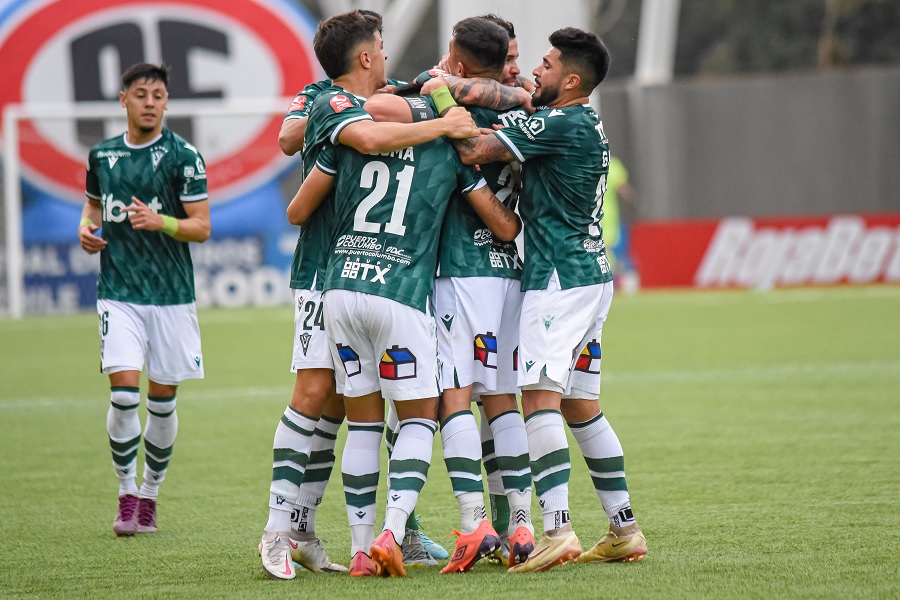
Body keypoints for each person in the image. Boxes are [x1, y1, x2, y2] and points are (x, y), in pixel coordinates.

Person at [258, 9, 480, 580]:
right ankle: (276, 529)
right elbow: (334, 138)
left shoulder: (377, 95)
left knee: (343, 406)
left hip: (359, 276)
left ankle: (315, 528)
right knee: (312, 392)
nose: (386, 55)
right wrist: (441, 124)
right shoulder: (331, 100)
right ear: (363, 56)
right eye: (380, 46)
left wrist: (431, 90)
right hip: (325, 271)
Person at [449, 27, 649, 573]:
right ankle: (624, 527)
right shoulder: (579, 121)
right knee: (582, 406)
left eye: (547, 64)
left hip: (559, 279)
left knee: (537, 398)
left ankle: (557, 528)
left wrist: (440, 97)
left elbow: (472, 150)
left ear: (572, 79)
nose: (537, 70)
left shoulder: (559, 122)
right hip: (590, 276)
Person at [418, 16, 537, 571]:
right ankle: (522, 525)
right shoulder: (524, 108)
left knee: (455, 396)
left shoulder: (450, 106)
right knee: (502, 399)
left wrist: (437, 84)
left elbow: (428, 97)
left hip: (459, 268)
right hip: (508, 274)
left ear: (459, 65)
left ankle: (473, 523)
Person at [78, 63, 211, 537]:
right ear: (123, 100)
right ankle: (126, 492)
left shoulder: (184, 156)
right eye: (141, 94)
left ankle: (151, 494)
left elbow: (201, 226)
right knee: (122, 395)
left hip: (172, 297)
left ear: (168, 102)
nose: (150, 101)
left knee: (161, 404)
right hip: (119, 292)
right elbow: (94, 205)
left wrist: (163, 223)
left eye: (158, 94)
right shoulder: (103, 155)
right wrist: (85, 227)